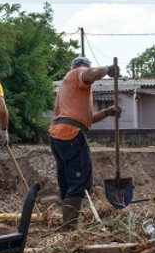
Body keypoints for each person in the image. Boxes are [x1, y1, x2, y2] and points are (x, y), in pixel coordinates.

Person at [49, 56, 121, 230]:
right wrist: (109, 70)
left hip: (59, 134)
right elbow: (92, 73)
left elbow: (86, 120)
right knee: (79, 181)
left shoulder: (67, 88)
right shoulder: (78, 73)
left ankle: (67, 225)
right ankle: (69, 228)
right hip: (72, 135)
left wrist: (108, 111)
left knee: (67, 181)